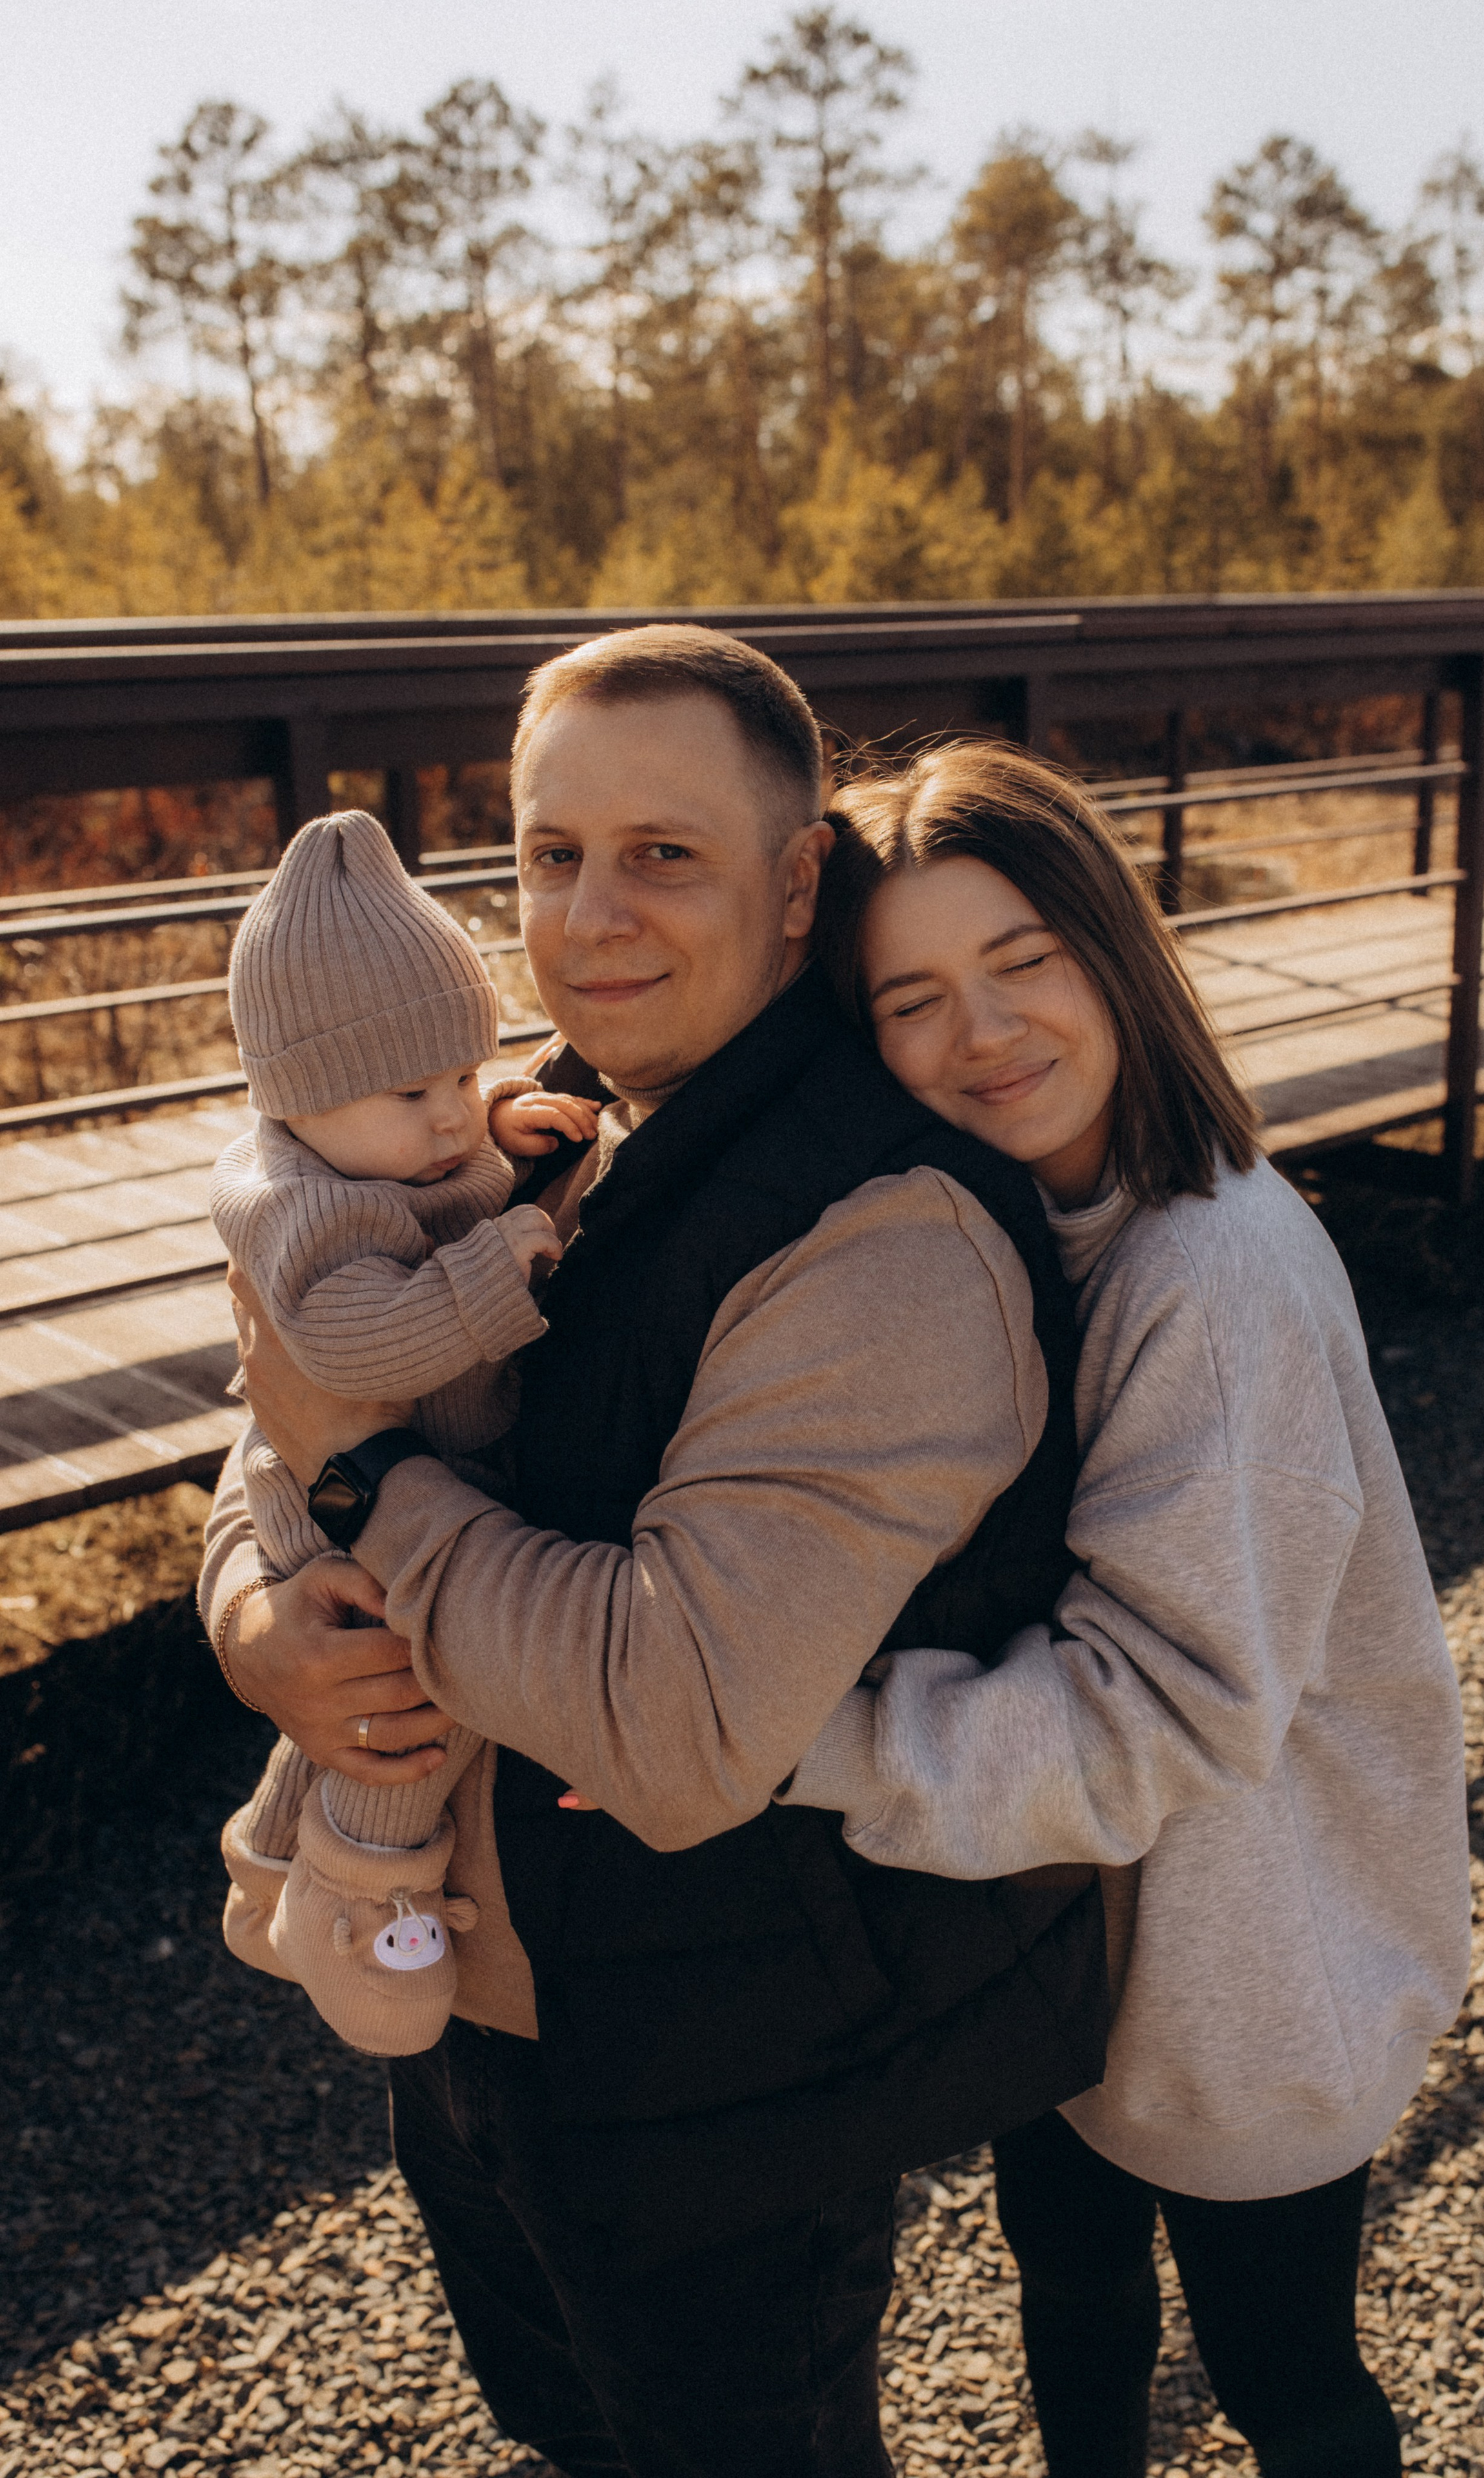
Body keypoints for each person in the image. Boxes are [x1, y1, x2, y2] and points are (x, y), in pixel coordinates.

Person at [199, 626, 1112, 2478]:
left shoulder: (886, 1238)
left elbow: (675, 1722)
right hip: (486, 2006)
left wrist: (362, 1480)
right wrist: (258, 1617)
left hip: (713, 2071)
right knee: (572, 2436)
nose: (591, 914)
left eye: (663, 854)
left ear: (795, 884)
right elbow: (274, 1411)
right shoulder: (529, 1121)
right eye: (552, 855)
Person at [778, 741, 1473, 2478]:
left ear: (1115, 946)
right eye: (913, 998)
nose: (984, 1031)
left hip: (1257, 1959)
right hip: (1088, 1943)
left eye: (1024, 960)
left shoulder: (1207, 1276)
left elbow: (1159, 1711)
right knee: (1073, 2311)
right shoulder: (1034, 1227)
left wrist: (783, 1742)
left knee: (1288, 2386)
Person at [210, 806, 598, 2059]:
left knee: (345, 1705)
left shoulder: (388, 1146)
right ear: (300, 1096)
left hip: (388, 1476)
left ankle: (275, 1855)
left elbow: (442, 1140)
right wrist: (496, 1273)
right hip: (345, 1502)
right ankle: (371, 1892)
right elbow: (351, 1344)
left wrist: (500, 1122)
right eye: (414, 1092)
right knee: (410, 1700)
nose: (448, 1119)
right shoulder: (307, 1212)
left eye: (463, 1077)